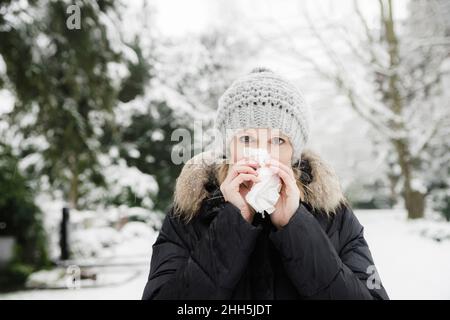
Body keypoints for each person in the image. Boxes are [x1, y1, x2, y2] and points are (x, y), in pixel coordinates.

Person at [142, 67, 389, 300]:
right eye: (247, 138)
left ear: (294, 151)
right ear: (229, 147)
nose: (262, 153)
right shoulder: (188, 215)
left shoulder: (334, 215)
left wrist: (296, 226)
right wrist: (232, 223)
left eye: (278, 140)